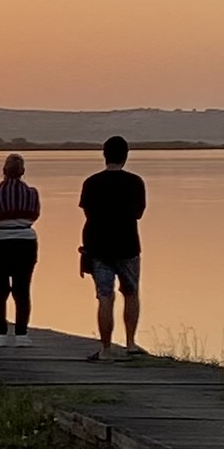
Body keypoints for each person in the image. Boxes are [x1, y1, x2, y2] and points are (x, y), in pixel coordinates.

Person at [79, 133, 148, 356]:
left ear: (104, 155)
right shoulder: (135, 182)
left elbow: (87, 213)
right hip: (127, 244)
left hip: (98, 245)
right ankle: (130, 343)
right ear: (126, 156)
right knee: (131, 292)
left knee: (105, 295)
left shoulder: (91, 183)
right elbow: (138, 213)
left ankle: (106, 348)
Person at [0, 151, 40, 334]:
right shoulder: (32, 193)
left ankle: (0, 333)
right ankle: (22, 333)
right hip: (25, 242)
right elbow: (35, 214)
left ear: (3, 170)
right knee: (22, 290)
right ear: (23, 172)